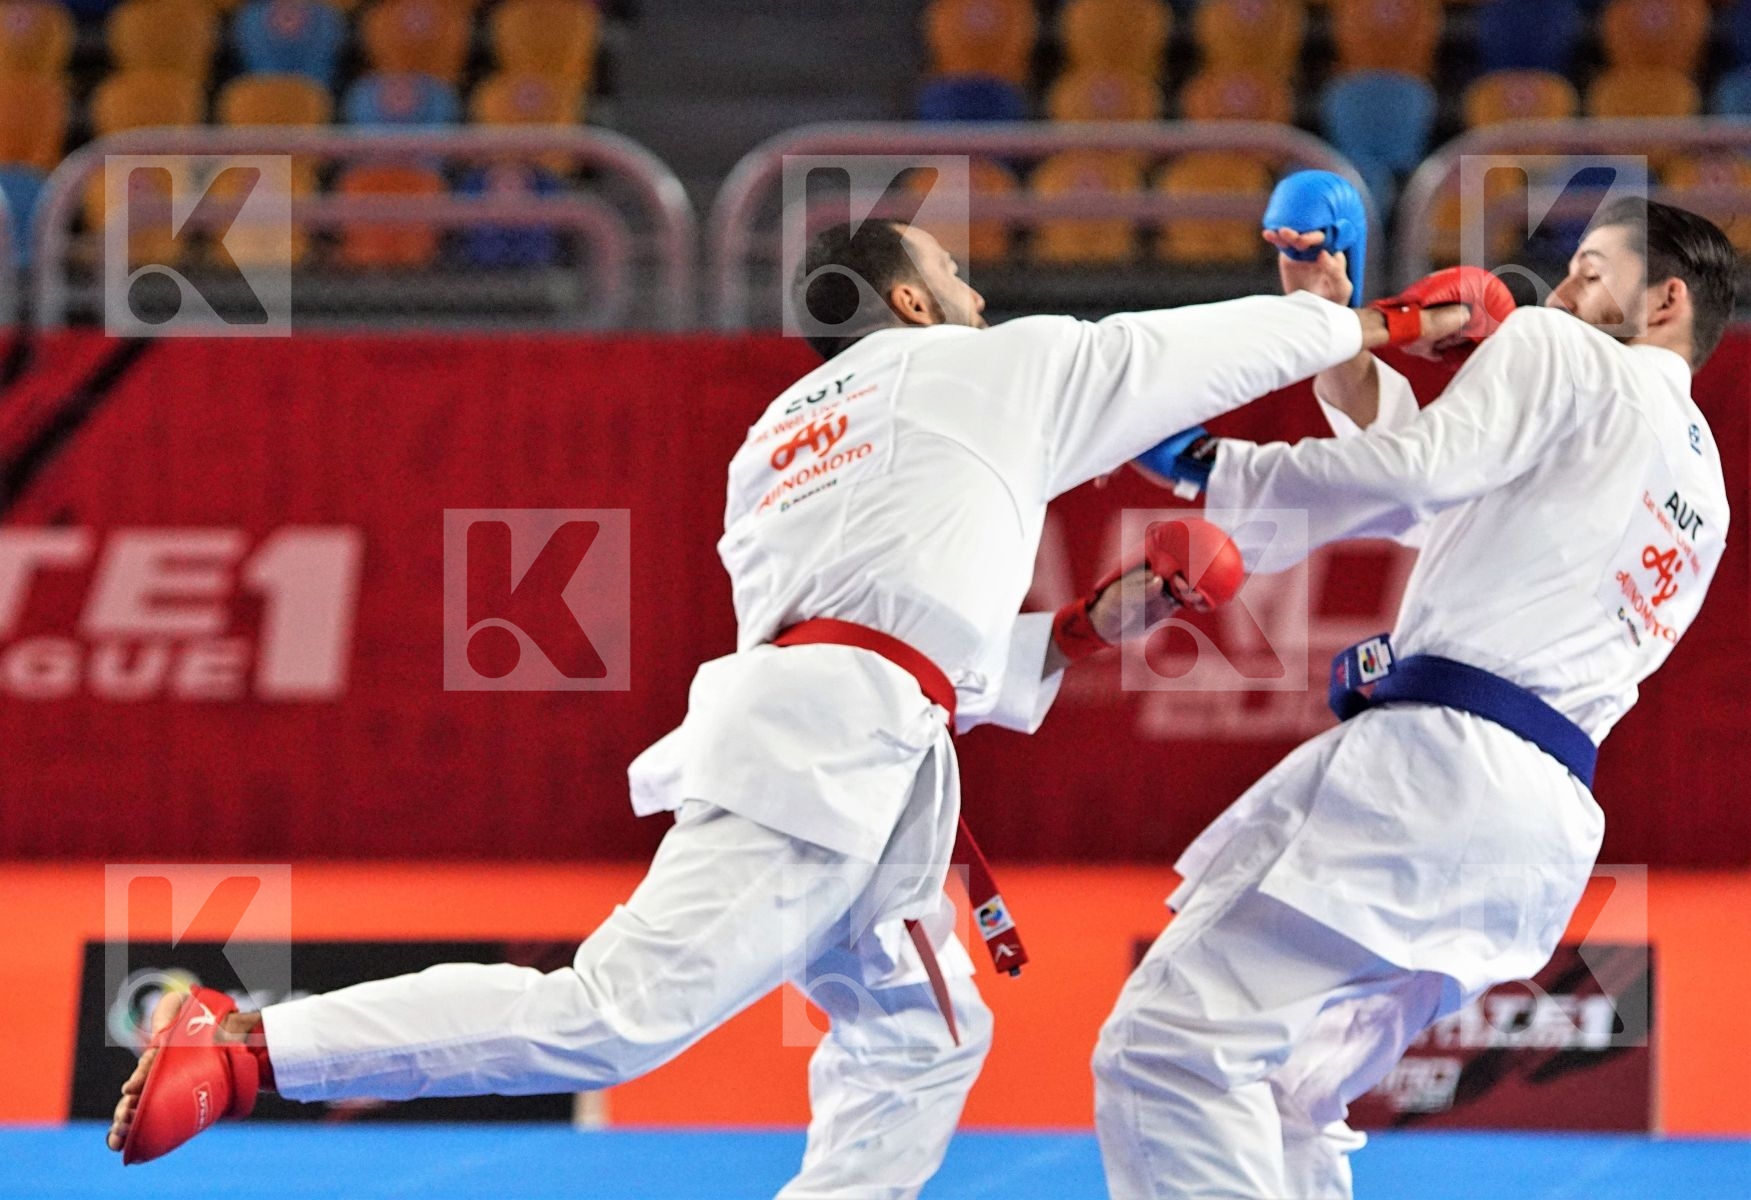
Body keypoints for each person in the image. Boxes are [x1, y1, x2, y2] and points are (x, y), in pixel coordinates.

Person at [109, 218, 1462, 1196]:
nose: (983, 294)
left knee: (921, 1036)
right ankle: (243, 1045)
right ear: (913, 306)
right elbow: (1193, 352)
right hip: (825, 756)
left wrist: (1062, 632)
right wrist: (1376, 319)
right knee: (615, 1012)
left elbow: (874, 616)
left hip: (841, 733)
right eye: (957, 278)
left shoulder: (771, 448)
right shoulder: (984, 369)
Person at [1093, 198, 1736, 1200]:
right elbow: (1448, 503)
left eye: (1587, 271)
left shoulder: (1558, 353)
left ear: (1663, 298)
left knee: (1165, 1049)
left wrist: (1212, 468)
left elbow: (1417, 475)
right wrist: (1337, 341)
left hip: (1435, 776)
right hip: (1531, 828)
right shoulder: (1699, 487)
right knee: (1289, 1094)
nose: (1557, 290)